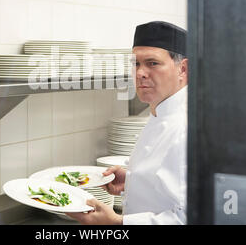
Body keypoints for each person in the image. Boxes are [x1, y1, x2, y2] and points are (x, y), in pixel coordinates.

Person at [66, 21, 188, 225]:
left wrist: (117, 223)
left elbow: (189, 218)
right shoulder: (160, 111)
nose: (140, 73)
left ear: (182, 69)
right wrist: (132, 180)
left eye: (152, 63)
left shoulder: (187, 128)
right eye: (135, 63)